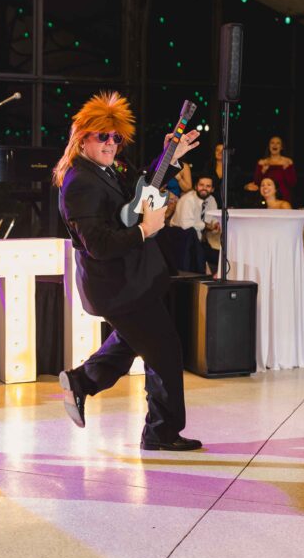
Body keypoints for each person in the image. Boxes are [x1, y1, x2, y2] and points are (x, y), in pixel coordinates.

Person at [54, 91, 202, 451]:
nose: (110, 144)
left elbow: (138, 194)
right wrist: (145, 231)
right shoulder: (79, 183)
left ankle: (81, 382)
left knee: (132, 343)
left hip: (131, 279)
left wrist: (171, 158)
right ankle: (161, 432)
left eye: (115, 137)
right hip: (118, 285)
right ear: (82, 138)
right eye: (102, 136)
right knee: (164, 350)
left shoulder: (104, 169)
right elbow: (99, 244)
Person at [171, 174, 220, 271]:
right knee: (200, 256)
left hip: (200, 241)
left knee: (220, 256)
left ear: (212, 189)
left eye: (208, 186)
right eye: (201, 185)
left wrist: (215, 224)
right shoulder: (188, 200)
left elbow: (213, 218)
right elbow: (186, 225)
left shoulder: (211, 200)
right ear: (196, 186)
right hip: (181, 239)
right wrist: (205, 226)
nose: (204, 188)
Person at [245, 136, 296, 205]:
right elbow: (257, 183)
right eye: (272, 143)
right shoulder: (262, 162)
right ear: (269, 146)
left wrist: (286, 170)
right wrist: (262, 171)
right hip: (266, 199)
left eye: (278, 143)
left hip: (284, 198)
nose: (275, 145)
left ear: (281, 147)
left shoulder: (288, 162)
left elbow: (292, 183)